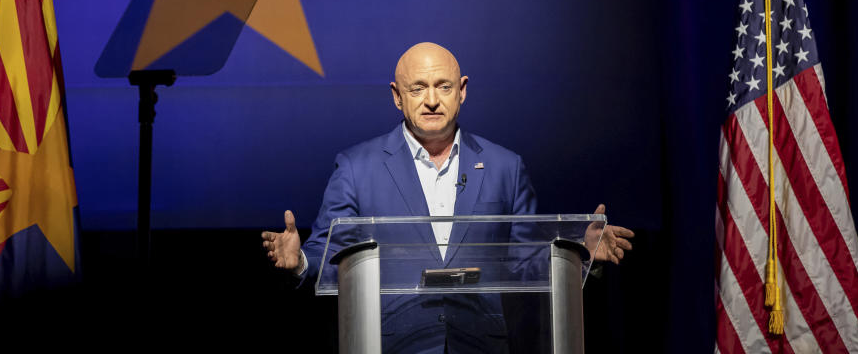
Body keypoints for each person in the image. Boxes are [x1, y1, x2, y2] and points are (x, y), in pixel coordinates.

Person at [263, 42, 634, 351]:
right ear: (397, 96)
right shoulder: (356, 167)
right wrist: (299, 262)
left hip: (479, 344)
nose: (431, 100)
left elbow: (525, 264)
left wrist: (580, 253)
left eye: (443, 86)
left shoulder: (506, 167)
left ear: (462, 90)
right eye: (417, 88)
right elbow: (329, 258)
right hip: (393, 344)